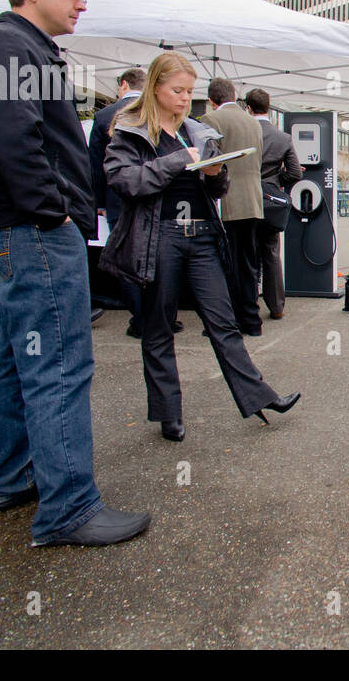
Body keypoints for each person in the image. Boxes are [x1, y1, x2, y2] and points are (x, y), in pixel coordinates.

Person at [0, 0, 150, 547]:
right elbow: (17, 142)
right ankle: (68, 507)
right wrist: (55, 213)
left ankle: (12, 478)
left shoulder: (14, 48)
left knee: (18, 357)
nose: (81, 3)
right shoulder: (10, 48)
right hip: (31, 229)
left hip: (18, 228)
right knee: (59, 362)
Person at [101, 52, 300, 443]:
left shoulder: (195, 130)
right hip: (160, 236)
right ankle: (168, 414)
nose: (183, 98)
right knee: (158, 327)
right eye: (177, 90)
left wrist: (215, 173)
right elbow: (124, 181)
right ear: (155, 87)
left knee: (223, 322)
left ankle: (259, 396)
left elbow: (215, 190)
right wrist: (177, 162)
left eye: (189, 91)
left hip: (204, 235)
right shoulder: (129, 130)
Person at [89, 67, 183, 338]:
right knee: (163, 258)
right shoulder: (164, 111)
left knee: (128, 259)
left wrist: (97, 201)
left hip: (119, 198)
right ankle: (167, 316)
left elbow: (96, 167)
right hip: (161, 197)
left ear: (123, 85)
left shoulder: (105, 116)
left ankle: (142, 318)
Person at [200, 79, 264, 334]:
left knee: (226, 266)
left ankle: (229, 321)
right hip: (253, 200)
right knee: (248, 264)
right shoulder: (253, 122)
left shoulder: (210, 120)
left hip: (226, 202)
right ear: (234, 95)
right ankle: (251, 320)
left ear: (211, 100)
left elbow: (209, 163)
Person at [245, 88, 301, 320]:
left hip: (245, 198)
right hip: (270, 199)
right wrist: (277, 180)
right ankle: (276, 306)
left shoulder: (244, 134)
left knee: (247, 253)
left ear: (248, 108)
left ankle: (249, 306)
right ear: (269, 107)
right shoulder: (282, 137)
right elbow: (295, 173)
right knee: (270, 253)